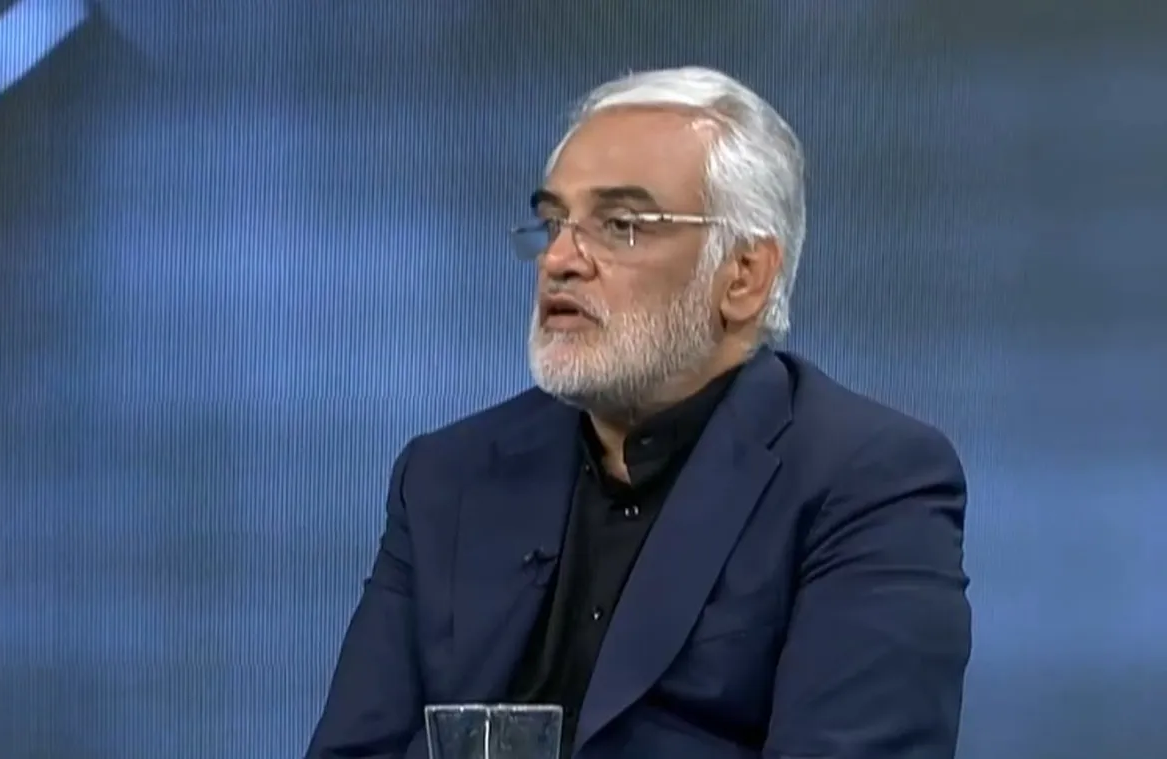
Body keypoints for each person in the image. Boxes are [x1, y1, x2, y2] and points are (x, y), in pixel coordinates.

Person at [304, 66, 971, 759]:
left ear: (744, 275)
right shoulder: (448, 474)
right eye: (553, 222)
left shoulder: (866, 479)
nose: (559, 259)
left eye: (620, 225)